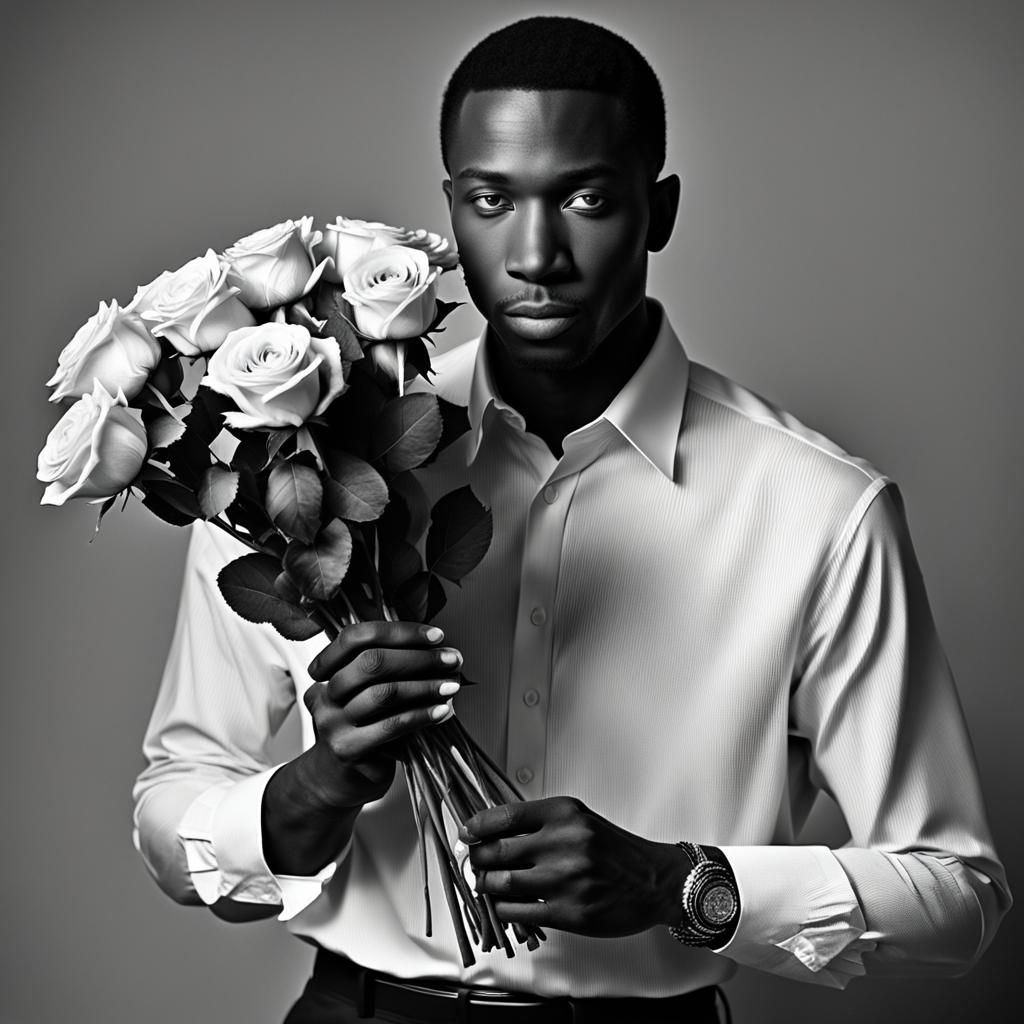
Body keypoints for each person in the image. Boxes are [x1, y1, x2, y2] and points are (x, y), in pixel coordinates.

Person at [133, 16, 1011, 1023]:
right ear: (452, 212)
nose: (536, 254)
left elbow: (957, 892)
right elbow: (172, 809)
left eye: (587, 199)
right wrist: (317, 786)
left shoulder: (822, 513)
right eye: (491, 201)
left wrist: (678, 884)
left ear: (660, 209)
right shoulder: (301, 458)